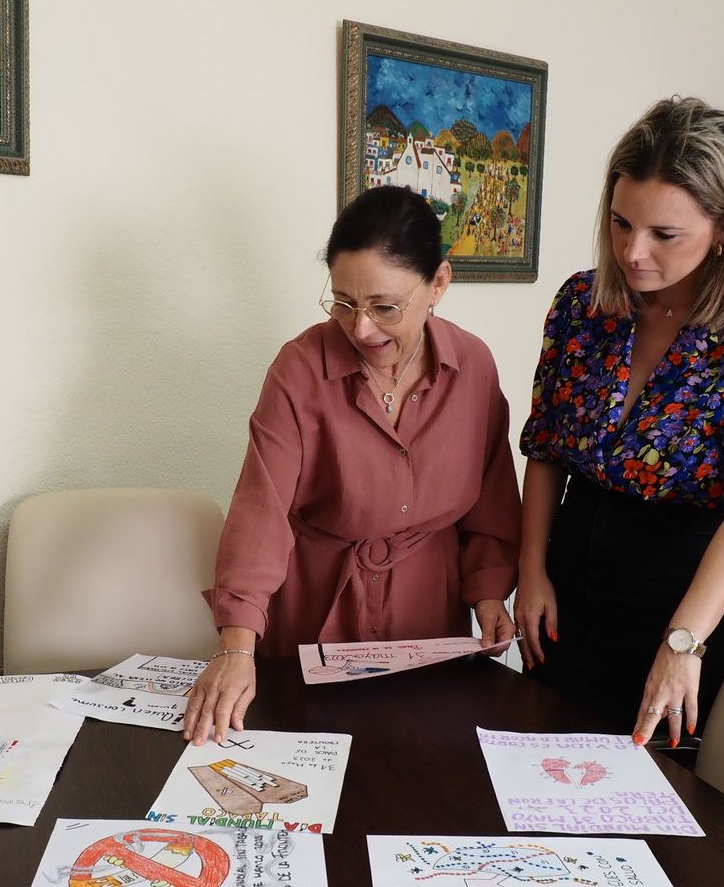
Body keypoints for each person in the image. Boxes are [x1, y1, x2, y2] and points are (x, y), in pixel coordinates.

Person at [515, 97, 724, 747]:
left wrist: (685, 643)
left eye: (663, 234)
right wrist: (531, 569)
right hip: (570, 584)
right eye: (621, 223)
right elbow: (545, 448)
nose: (632, 251)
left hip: (686, 598)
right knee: (542, 768)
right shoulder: (582, 304)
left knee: (663, 789)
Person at [184, 186, 521, 745]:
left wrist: (489, 595)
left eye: (384, 307)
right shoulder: (299, 369)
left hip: (427, 612)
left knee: (419, 763)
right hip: (315, 604)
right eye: (343, 303)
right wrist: (236, 648)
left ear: (438, 283)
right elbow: (260, 512)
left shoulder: (474, 367)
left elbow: (491, 498)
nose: (361, 328)